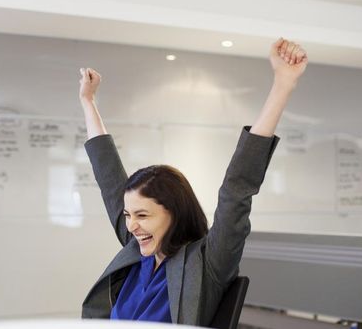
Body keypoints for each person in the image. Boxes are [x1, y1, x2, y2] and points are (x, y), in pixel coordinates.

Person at [78, 38, 307, 326]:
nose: (131, 225)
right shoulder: (137, 249)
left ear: (174, 212)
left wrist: (283, 84)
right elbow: (108, 175)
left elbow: (236, 188)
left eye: (142, 215)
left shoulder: (207, 262)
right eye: (127, 215)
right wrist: (88, 102)